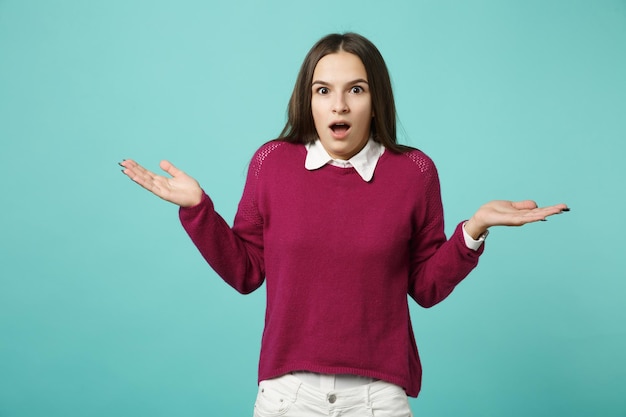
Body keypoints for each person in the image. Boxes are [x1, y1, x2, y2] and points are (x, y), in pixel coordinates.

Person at [120, 32, 568, 417]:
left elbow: (426, 288)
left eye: (356, 89)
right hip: (287, 397)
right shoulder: (271, 164)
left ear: (376, 101)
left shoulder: (415, 172)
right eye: (323, 90)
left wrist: (475, 229)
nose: (339, 104)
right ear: (307, 99)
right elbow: (246, 272)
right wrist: (198, 208)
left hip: (378, 398)